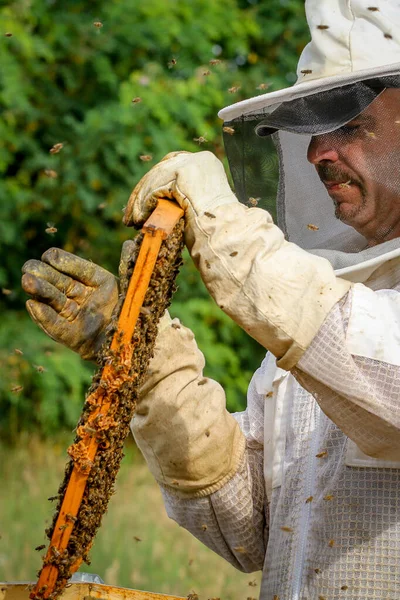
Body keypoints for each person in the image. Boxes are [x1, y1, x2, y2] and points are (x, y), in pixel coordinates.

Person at [22, 1, 400, 597]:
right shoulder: (321, 310)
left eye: (348, 125)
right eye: (314, 130)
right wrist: (145, 361)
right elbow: (246, 527)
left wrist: (223, 226)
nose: (317, 154)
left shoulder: (326, 319)